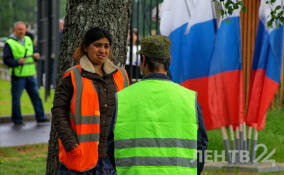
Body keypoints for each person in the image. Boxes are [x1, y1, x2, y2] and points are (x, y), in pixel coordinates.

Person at [110, 35, 208, 175]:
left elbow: (111, 145)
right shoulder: (189, 98)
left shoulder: (123, 98)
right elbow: (201, 144)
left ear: (143, 59)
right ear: (169, 60)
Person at [52, 27, 129, 174]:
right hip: (79, 158)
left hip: (110, 159)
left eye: (106, 46)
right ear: (86, 47)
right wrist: (71, 144)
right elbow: (58, 110)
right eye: (97, 45)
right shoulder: (73, 75)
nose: (103, 50)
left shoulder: (121, 76)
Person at [3, 21, 49, 126]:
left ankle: (41, 117)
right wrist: (17, 62)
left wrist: (36, 56)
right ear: (15, 30)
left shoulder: (28, 39)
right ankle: (17, 120)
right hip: (18, 76)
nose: (22, 31)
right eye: (19, 29)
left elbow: (34, 51)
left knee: (36, 97)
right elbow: (6, 60)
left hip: (30, 75)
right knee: (16, 99)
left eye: (23, 29)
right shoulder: (10, 43)